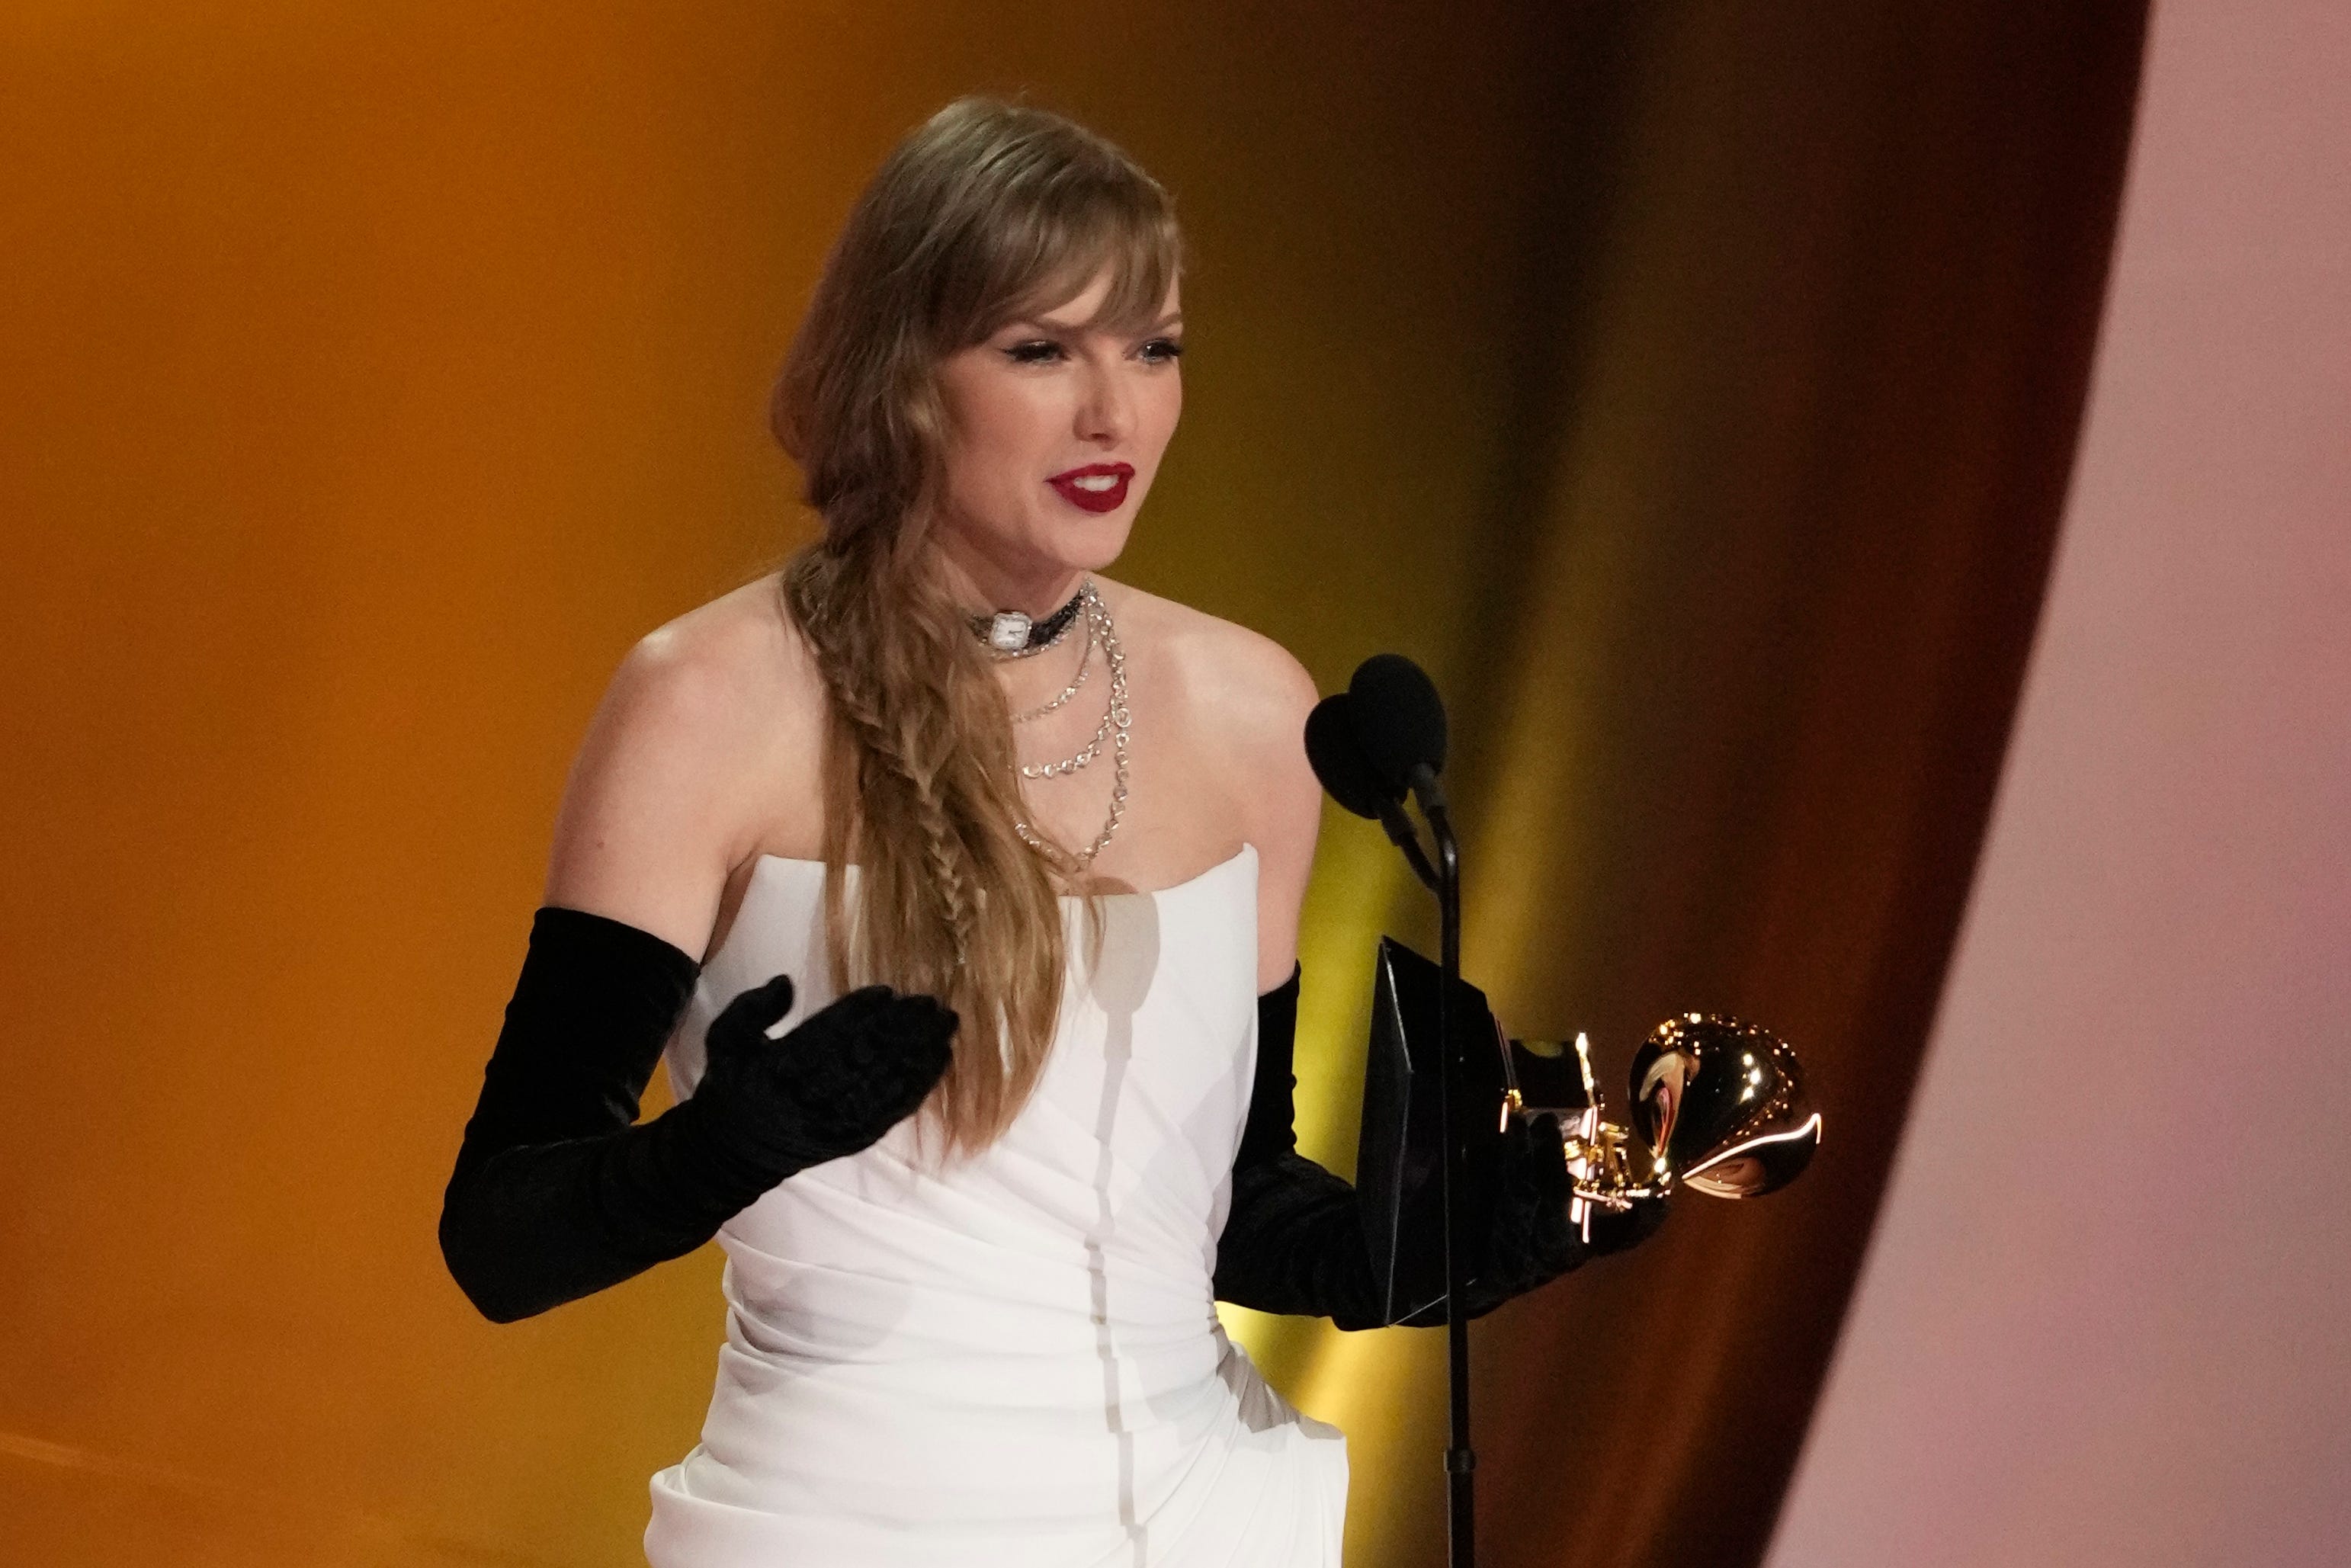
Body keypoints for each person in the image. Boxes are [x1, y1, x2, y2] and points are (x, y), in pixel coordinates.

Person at [437, 96, 1661, 1566]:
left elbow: (1235, 1211)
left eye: (1152, 348)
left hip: (1198, 1523)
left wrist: (1510, 1221)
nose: (1115, 412)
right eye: (1041, 350)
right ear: (899, 374)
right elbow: (501, 1239)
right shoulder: (707, 701)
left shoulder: (1253, 712)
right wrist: (727, 1144)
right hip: (841, 1531)